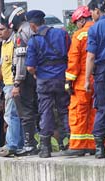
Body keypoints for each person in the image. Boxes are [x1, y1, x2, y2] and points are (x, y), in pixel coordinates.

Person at [25, 10, 71, 158]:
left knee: (46, 111)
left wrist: (36, 75)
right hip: (62, 77)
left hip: (44, 80)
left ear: (32, 25)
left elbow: (30, 67)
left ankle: (45, 148)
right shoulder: (62, 34)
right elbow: (70, 54)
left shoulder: (33, 40)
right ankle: (70, 142)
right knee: (65, 109)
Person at [4, 5, 39, 155]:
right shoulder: (34, 29)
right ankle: (40, 143)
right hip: (39, 76)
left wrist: (17, 83)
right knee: (39, 111)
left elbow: (20, 61)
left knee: (25, 113)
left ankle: (29, 145)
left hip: (26, 79)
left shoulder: (21, 35)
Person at [64, 6, 96, 156]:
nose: (76, 25)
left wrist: (68, 80)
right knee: (93, 112)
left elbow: (74, 60)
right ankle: (91, 144)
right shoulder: (98, 31)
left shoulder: (79, 35)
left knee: (78, 112)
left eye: (76, 22)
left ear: (82, 20)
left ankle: (77, 145)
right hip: (97, 80)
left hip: (82, 81)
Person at [85, 0, 105, 158]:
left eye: (91, 13)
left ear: (96, 10)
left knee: (102, 108)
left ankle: (100, 147)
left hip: (101, 71)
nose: (91, 16)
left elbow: (91, 56)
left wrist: (87, 79)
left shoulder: (94, 28)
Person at [0, 18, 23, 156]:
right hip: (6, 83)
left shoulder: (15, 41)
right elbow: (1, 65)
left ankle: (12, 144)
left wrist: (16, 83)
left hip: (13, 82)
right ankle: (18, 143)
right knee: (13, 114)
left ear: (9, 29)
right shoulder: (4, 44)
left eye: (2, 29)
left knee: (11, 114)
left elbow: (19, 63)